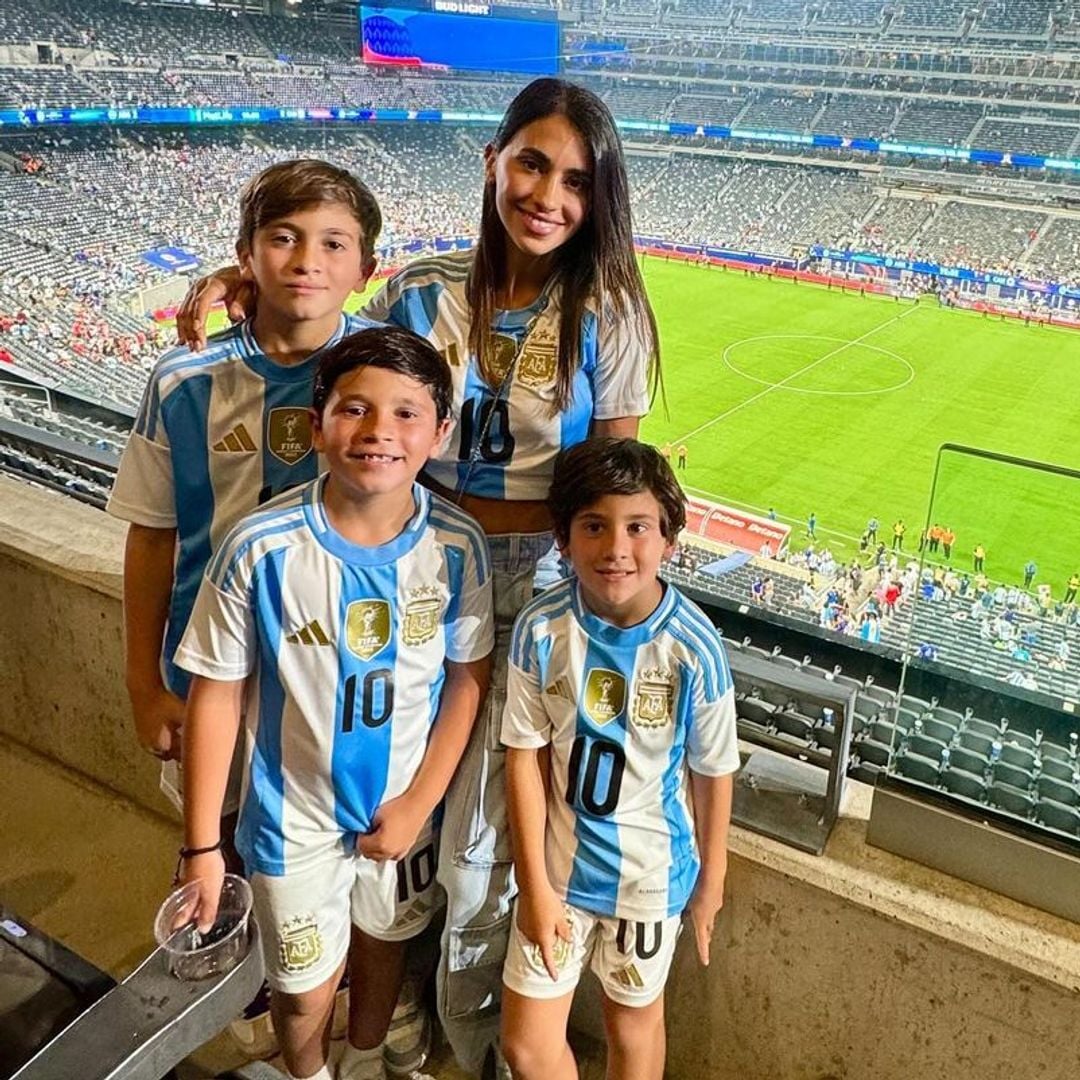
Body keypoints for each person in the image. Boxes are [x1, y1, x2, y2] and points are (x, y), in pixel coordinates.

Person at [175, 78, 660, 1076]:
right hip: (410, 586)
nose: (547, 195)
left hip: (528, 614)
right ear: (493, 161)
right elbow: (342, 380)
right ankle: (371, 1010)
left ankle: (465, 1033)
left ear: (599, 195)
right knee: (380, 785)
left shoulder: (609, 314)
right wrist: (239, 285)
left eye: (576, 179)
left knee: (481, 834)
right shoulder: (418, 291)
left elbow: (608, 487)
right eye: (531, 162)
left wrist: (488, 527)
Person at [108, 158, 383, 1057]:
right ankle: (229, 1020)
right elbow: (151, 537)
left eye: (332, 243)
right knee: (209, 859)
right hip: (208, 683)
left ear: (364, 269)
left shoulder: (382, 376)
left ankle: (310, 1023)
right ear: (245, 255)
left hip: (335, 688)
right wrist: (145, 686)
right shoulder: (184, 382)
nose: (307, 260)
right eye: (283, 238)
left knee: (328, 872)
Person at [173, 328, 494, 1080]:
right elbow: (215, 696)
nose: (380, 431)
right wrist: (201, 847)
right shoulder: (261, 547)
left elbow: (466, 680)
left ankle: (366, 1057)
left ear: (440, 433)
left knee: (386, 946)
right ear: (316, 425)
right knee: (302, 986)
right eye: (355, 409)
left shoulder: (457, 545)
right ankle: (309, 1072)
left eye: (407, 414)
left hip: (405, 810)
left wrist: (420, 802)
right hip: (293, 820)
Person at [499, 439, 738, 1080]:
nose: (616, 549)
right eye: (595, 526)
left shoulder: (694, 649)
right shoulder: (541, 628)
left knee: (632, 1026)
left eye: (638, 528)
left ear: (669, 541)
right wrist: (534, 885)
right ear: (563, 538)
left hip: (649, 881)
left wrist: (711, 881)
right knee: (525, 1044)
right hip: (557, 875)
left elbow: (714, 773)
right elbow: (522, 756)